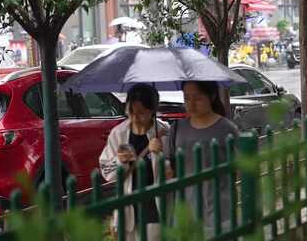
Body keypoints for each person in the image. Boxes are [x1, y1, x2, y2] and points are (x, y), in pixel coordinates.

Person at [152, 81, 239, 236]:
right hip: (185, 209)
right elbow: (169, 163)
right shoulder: (177, 128)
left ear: (211, 96)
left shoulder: (226, 129)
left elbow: (239, 169)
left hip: (218, 209)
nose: (190, 104)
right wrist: (161, 159)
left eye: (197, 98)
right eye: (186, 98)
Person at [99, 83, 171, 241]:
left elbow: (171, 171)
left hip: (154, 208)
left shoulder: (164, 132)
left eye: (141, 113)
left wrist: (158, 154)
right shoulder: (119, 134)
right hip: (127, 208)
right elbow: (106, 171)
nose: (134, 117)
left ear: (152, 111)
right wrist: (120, 161)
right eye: (130, 111)